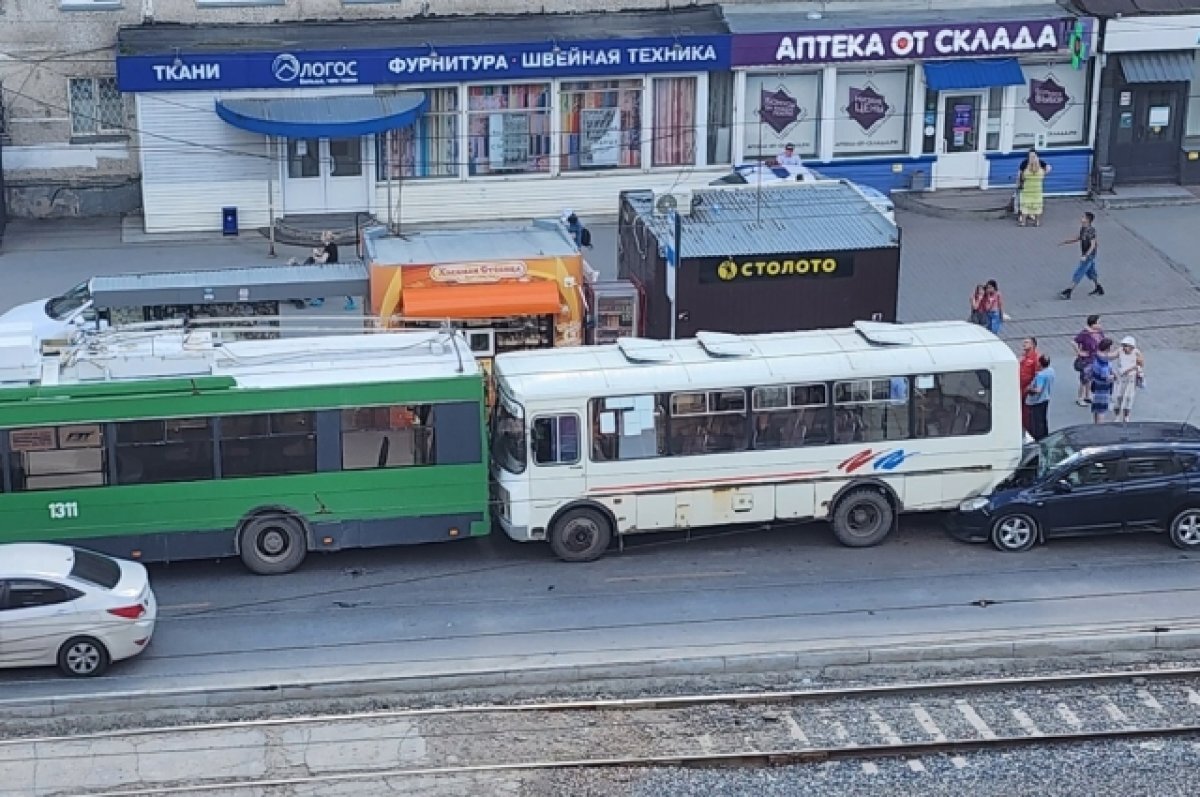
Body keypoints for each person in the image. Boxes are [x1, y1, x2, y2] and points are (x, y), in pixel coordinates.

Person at [292, 231, 355, 311]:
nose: (320, 237)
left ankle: (350, 302)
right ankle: (320, 299)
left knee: (335, 286)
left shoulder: (328, 248)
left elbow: (323, 260)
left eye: (322, 236)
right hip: (335, 268)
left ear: (325, 238)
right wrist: (318, 253)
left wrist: (315, 257)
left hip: (330, 270)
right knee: (326, 284)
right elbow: (327, 256)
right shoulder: (333, 246)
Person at [1059, 212, 1104, 298]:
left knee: (1079, 272)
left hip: (1088, 256)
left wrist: (1086, 255)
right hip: (1087, 254)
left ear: (1087, 220)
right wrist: (1067, 241)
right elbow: (1079, 237)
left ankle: (1069, 291)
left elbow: (1093, 245)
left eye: (1083, 217)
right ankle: (1098, 287)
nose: (1081, 218)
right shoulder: (1083, 228)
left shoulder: (1091, 230)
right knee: (1091, 272)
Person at [1070, 315, 1104, 406]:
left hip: (1095, 359)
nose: (1100, 324)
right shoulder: (1084, 333)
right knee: (1084, 379)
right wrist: (1079, 352)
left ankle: (1087, 396)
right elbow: (1074, 342)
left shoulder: (1099, 332)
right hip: (1086, 360)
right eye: (1098, 322)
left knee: (1090, 378)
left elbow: (1102, 342)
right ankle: (1080, 398)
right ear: (1093, 324)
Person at [1111, 335, 1145, 423]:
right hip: (1120, 378)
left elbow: (1140, 364)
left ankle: (1126, 417)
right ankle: (1117, 416)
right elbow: (1112, 356)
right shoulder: (1120, 351)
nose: (1125, 348)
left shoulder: (1136, 352)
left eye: (1127, 346)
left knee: (1129, 398)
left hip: (1130, 379)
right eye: (1124, 345)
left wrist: (1132, 369)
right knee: (1118, 397)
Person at [1085, 338, 1115, 423]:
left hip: (1096, 386)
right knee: (1102, 410)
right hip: (1103, 389)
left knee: (1096, 408)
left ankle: (1095, 424)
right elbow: (1105, 377)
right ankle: (1099, 427)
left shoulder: (1097, 356)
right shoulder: (1104, 363)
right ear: (1107, 348)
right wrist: (1113, 377)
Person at [1017, 151, 1051, 227]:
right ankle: (1037, 222)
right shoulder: (1041, 172)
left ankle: (1023, 222)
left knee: (1025, 206)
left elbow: (1022, 177)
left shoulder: (1026, 172)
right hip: (1037, 191)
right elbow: (1044, 175)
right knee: (1037, 206)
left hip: (1027, 191)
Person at [1025, 355, 1054, 441]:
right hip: (1046, 398)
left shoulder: (1041, 375)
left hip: (1037, 401)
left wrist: (1029, 388)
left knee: (1036, 422)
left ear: (1040, 363)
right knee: (1043, 419)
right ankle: (1045, 436)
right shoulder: (1051, 371)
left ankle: (1038, 439)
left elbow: (1038, 390)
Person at [1018, 337, 1040, 434]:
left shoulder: (1036, 358)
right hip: (1020, 387)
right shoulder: (1024, 356)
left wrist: (1031, 387)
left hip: (1027, 389)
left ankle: (1027, 430)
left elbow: (1036, 375)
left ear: (1033, 345)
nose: (1024, 344)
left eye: (1026, 342)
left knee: (1027, 412)